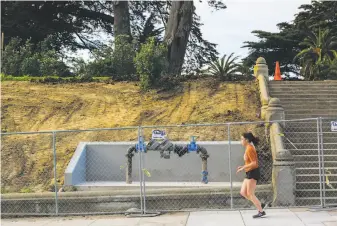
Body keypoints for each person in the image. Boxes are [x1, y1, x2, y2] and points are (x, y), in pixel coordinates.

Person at [237, 132, 266, 218]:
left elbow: (254, 163)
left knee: (250, 193)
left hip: (253, 172)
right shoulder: (248, 147)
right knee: (243, 192)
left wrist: (243, 167)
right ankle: (259, 204)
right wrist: (243, 166)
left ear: (247, 140)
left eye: (242, 139)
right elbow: (250, 162)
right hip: (249, 172)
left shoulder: (249, 148)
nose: (241, 141)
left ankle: (261, 211)